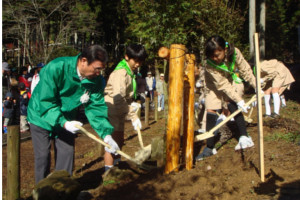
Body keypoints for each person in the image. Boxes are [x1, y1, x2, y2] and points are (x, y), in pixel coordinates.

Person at [27, 45, 119, 184]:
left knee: (66, 154)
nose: (99, 73)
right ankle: (41, 191)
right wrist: (63, 122)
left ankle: (63, 189)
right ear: (83, 61)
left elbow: (96, 108)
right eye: (97, 69)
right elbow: (46, 101)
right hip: (41, 115)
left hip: (68, 117)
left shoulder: (96, 81)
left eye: (101, 69)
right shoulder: (56, 67)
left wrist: (106, 135)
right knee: (43, 156)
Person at [196, 35, 257, 161]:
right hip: (213, 83)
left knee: (231, 100)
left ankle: (244, 137)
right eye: (212, 56)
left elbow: (245, 69)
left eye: (217, 55)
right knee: (211, 109)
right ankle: (210, 147)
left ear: (224, 49)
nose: (215, 58)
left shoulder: (234, 52)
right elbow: (222, 85)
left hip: (231, 78)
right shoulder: (209, 64)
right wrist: (240, 100)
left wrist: (256, 86)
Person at [104, 44, 147, 171]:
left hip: (120, 108)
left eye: (140, 61)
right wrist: (133, 116)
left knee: (119, 138)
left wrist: (131, 103)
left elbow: (125, 95)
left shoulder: (129, 72)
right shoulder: (121, 73)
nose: (138, 64)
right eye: (135, 60)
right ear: (127, 57)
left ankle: (117, 164)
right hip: (113, 108)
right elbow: (118, 97)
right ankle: (109, 170)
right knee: (112, 141)